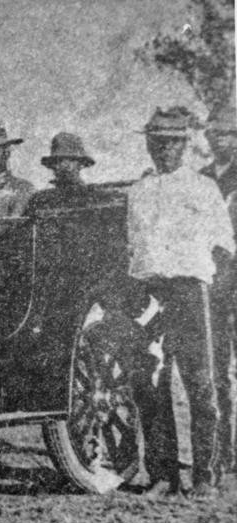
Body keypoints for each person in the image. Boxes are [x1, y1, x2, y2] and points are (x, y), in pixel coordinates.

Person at [129, 106, 234, 498]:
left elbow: (224, 248)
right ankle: (163, 474)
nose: (164, 150)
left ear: (186, 144)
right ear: (148, 145)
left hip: (192, 290)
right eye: (157, 142)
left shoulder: (203, 188)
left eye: (172, 143)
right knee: (151, 381)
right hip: (151, 292)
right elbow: (133, 248)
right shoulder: (138, 192)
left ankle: (205, 475)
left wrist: (212, 294)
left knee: (200, 382)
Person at [201, 100, 237, 487]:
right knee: (217, 374)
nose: (221, 140)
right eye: (215, 133)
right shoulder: (202, 178)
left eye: (228, 133)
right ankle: (224, 452)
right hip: (215, 284)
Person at [26, 132, 122, 213]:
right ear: (53, 166)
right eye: (58, 161)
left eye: (71, 160)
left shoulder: (97, 197)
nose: (64, 165)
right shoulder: (40, 200)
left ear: (81, 164)